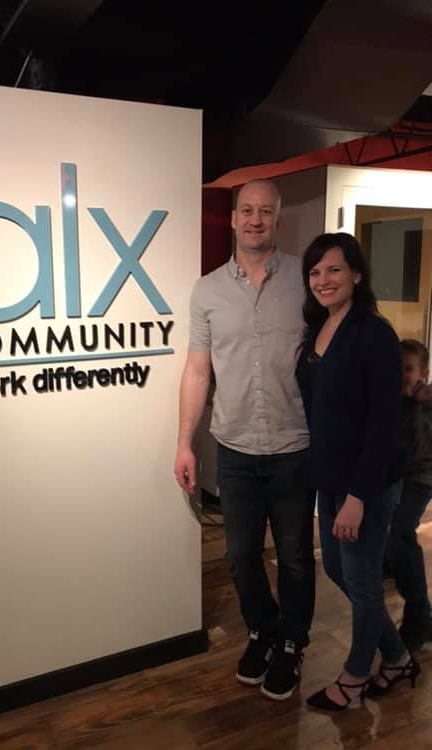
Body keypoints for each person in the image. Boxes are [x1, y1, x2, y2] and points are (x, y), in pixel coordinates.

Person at [174, 179, 315, 701]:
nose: (255, 219)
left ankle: (294, 644)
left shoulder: (306, 280)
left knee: (297, 557)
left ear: (277, 219)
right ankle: (264, 629)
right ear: (232, 219)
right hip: (232, 449)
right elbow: (195, 371)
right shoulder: (206, 290)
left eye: (265, 211)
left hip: (295, 446)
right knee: (240, 556)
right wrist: (184, 442)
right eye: (246, 211)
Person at [296, 232, 419, 712]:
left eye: (333, 269)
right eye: (315, 272)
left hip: (365, 482)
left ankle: (353, 678)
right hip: (330, 475)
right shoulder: (319, 328)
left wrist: (358, 496)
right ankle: (397, 657)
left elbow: (382, 423)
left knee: (363, 581)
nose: (323, 280)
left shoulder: (374, 333)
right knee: (336, 568)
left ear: (357, 275)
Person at [384, 339, 432, 652]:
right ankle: (393, 567)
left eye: (409, 369)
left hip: (421, 478)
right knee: (392, 531)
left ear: (423, 373)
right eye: (397, 368)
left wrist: (417, 399)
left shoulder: (423, 399)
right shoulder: (394, 400)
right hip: (399, 477)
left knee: (401, 530)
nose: (402, 375)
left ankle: (419, 616)